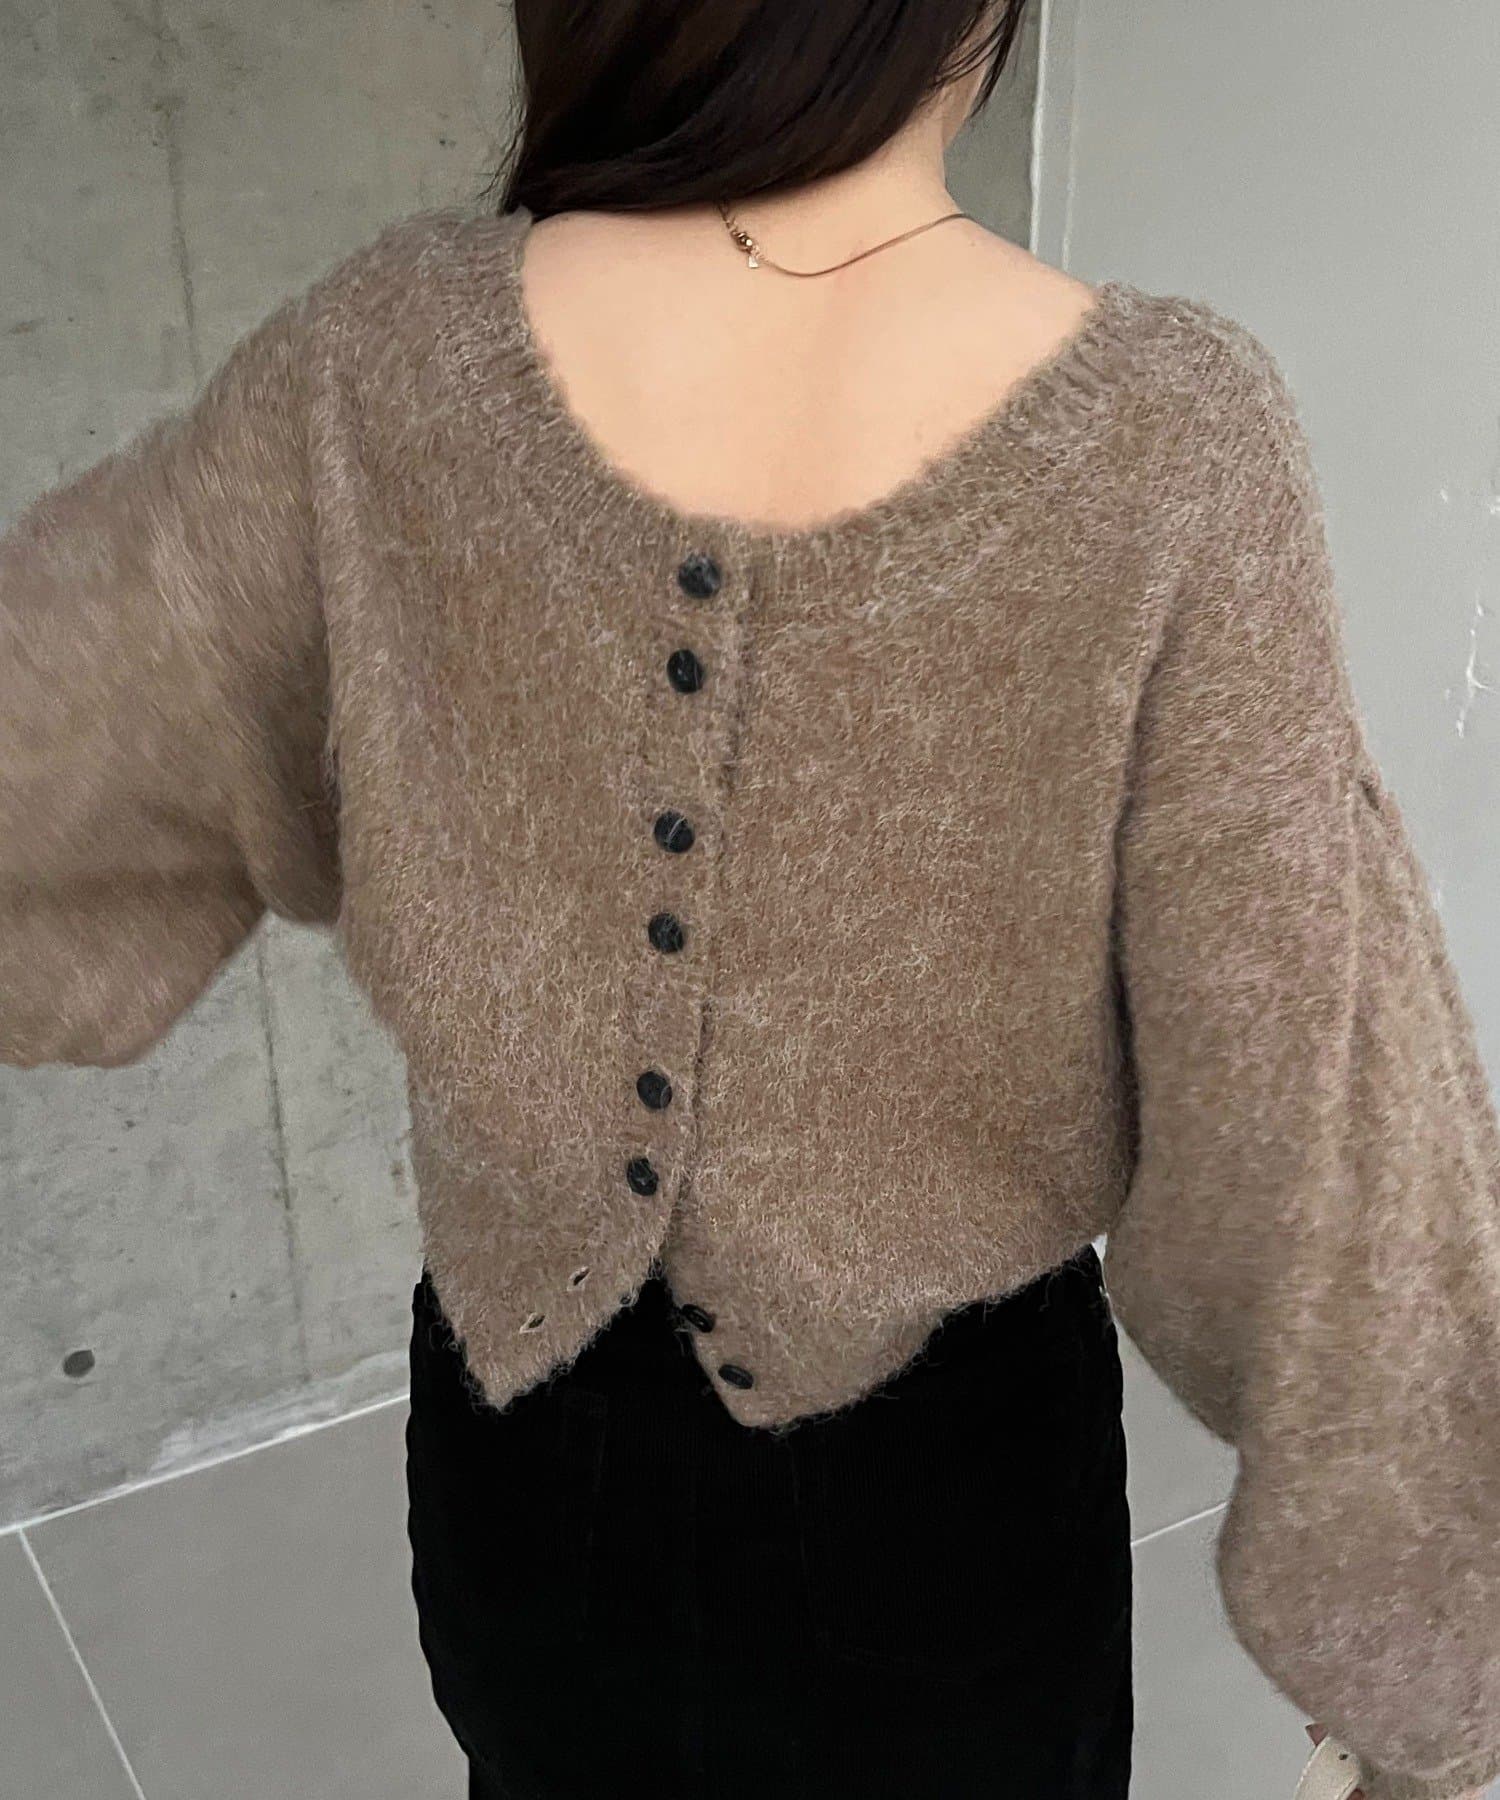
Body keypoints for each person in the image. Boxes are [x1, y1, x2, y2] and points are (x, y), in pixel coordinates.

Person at [1, 3, 1496, 1798]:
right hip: (948, 1516)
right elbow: (1313, 1079)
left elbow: (51, 726)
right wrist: (1428, 1673)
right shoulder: (1174, 436)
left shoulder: (385, 353)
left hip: (524, 1471)